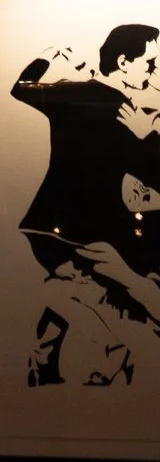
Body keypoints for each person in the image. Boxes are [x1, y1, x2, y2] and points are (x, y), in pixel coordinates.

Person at [11, 23, 160, 384]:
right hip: (82, 232)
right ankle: (100, 368)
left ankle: (59, 369)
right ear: (124, 62)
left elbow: (21, 89)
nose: (156, 71)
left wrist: (45, 58)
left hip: (60, 226)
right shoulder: (122, 110)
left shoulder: (83, 97)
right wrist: (149, 134)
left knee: (91, 291)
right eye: (151, 63)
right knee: (133, 294)